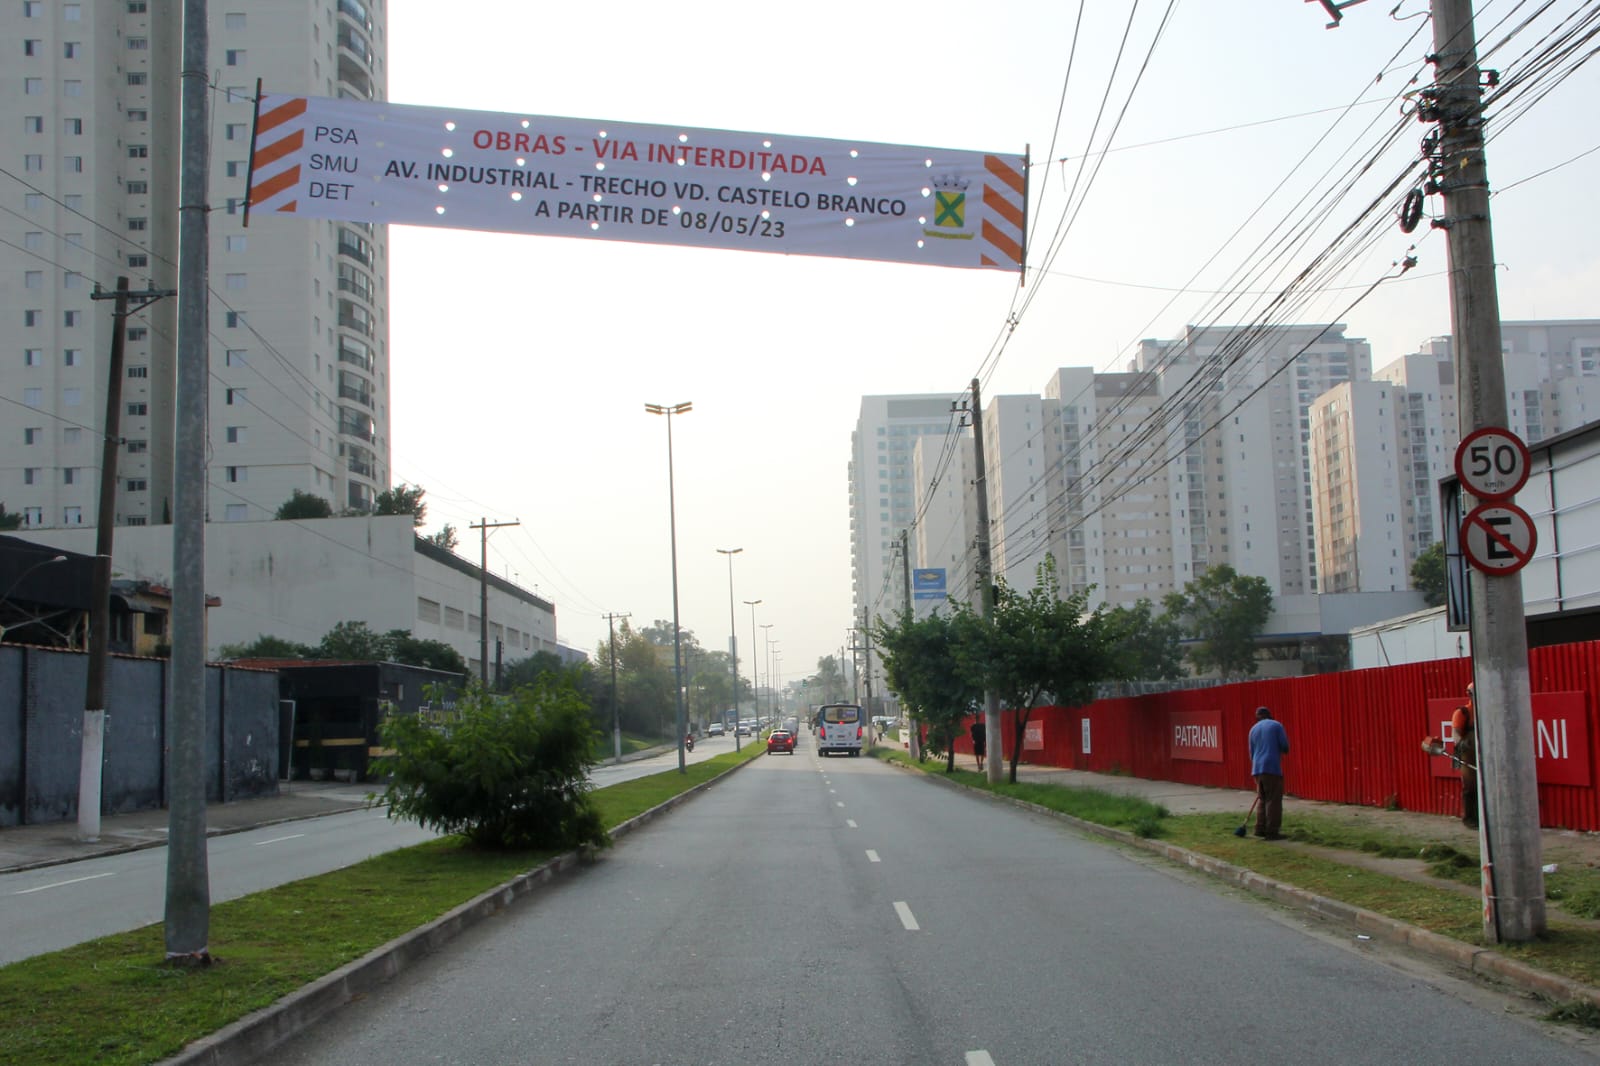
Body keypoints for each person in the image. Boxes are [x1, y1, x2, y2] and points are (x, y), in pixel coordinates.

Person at [1248, 706, 1290, 840]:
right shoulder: (1276, 725)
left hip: (1257, 769)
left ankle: (1260, 829)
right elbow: (1285, 746)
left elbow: (1251, 753)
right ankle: (1272, 832)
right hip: (1271, 768)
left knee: (1263, 799)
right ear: (1269, 715)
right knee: (1273, 800)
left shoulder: (1253, 729)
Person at [1453, 684, 1479, 829]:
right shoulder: (1463, 712)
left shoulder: (1486, 711)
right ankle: (1470, 819)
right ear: (1469, 694)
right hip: (1469, 755)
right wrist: (1461, 744)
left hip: (1485, 754)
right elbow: (1455, 733)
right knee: (1470, 787)